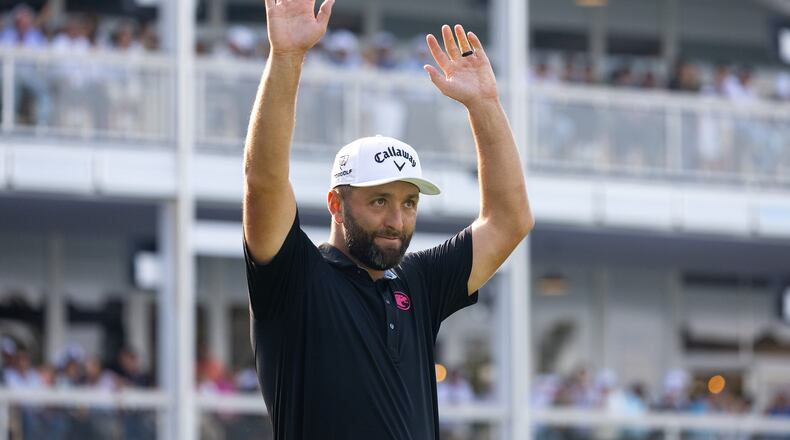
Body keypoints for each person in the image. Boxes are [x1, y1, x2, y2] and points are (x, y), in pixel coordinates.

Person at [242, 0, 534, 438]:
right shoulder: (294, 276)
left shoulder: (416, 283)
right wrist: (286, 58)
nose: (397, 220)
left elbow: (511, 220)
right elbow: (263, 181)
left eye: (409, 203)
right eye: (379, 201)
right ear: (336, 205)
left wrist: (485, 105)